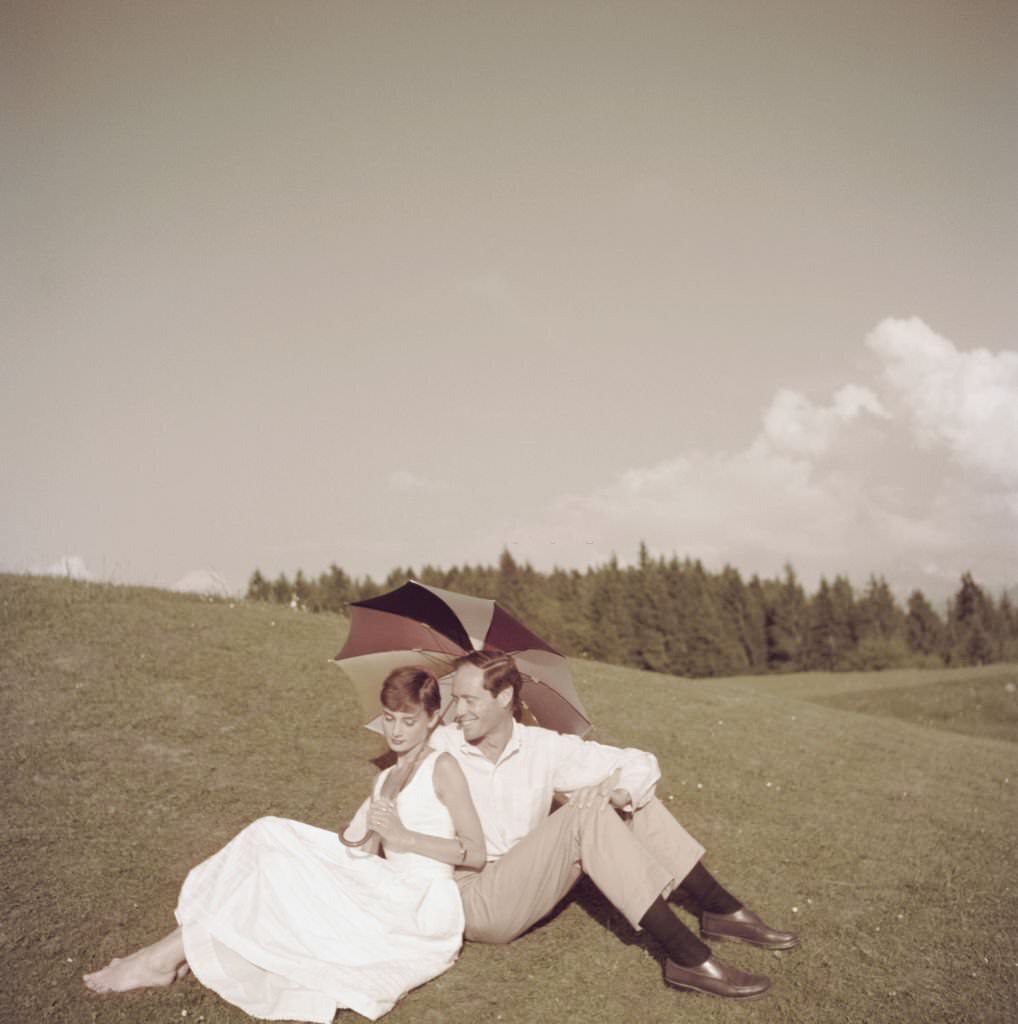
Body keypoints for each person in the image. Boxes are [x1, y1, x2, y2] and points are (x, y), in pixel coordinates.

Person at [83, 667, 486, 1021]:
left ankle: (158, 960)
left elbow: (476, 851)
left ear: (433, 719)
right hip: (384, 885)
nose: (396, 731)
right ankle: (169, 954)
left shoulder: (443, 767)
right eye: (389, 718)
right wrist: (362, 828)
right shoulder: (383, 780)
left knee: (271, 837)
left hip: (421, 903)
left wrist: (404, 837)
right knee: (269, 844)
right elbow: (359, 852)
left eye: (409, 721)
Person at [426, 650, 799, 1000]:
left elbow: (639, 762)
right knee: (587, 808)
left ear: (504, 697)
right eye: (456, 699)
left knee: (630, 798)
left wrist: (619, 793)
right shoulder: (442, 747)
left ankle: (721, 910)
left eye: (468, 699)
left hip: (530, 876)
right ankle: (687, 957)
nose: (457, 711)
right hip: (477, 898)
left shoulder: (540, 746)